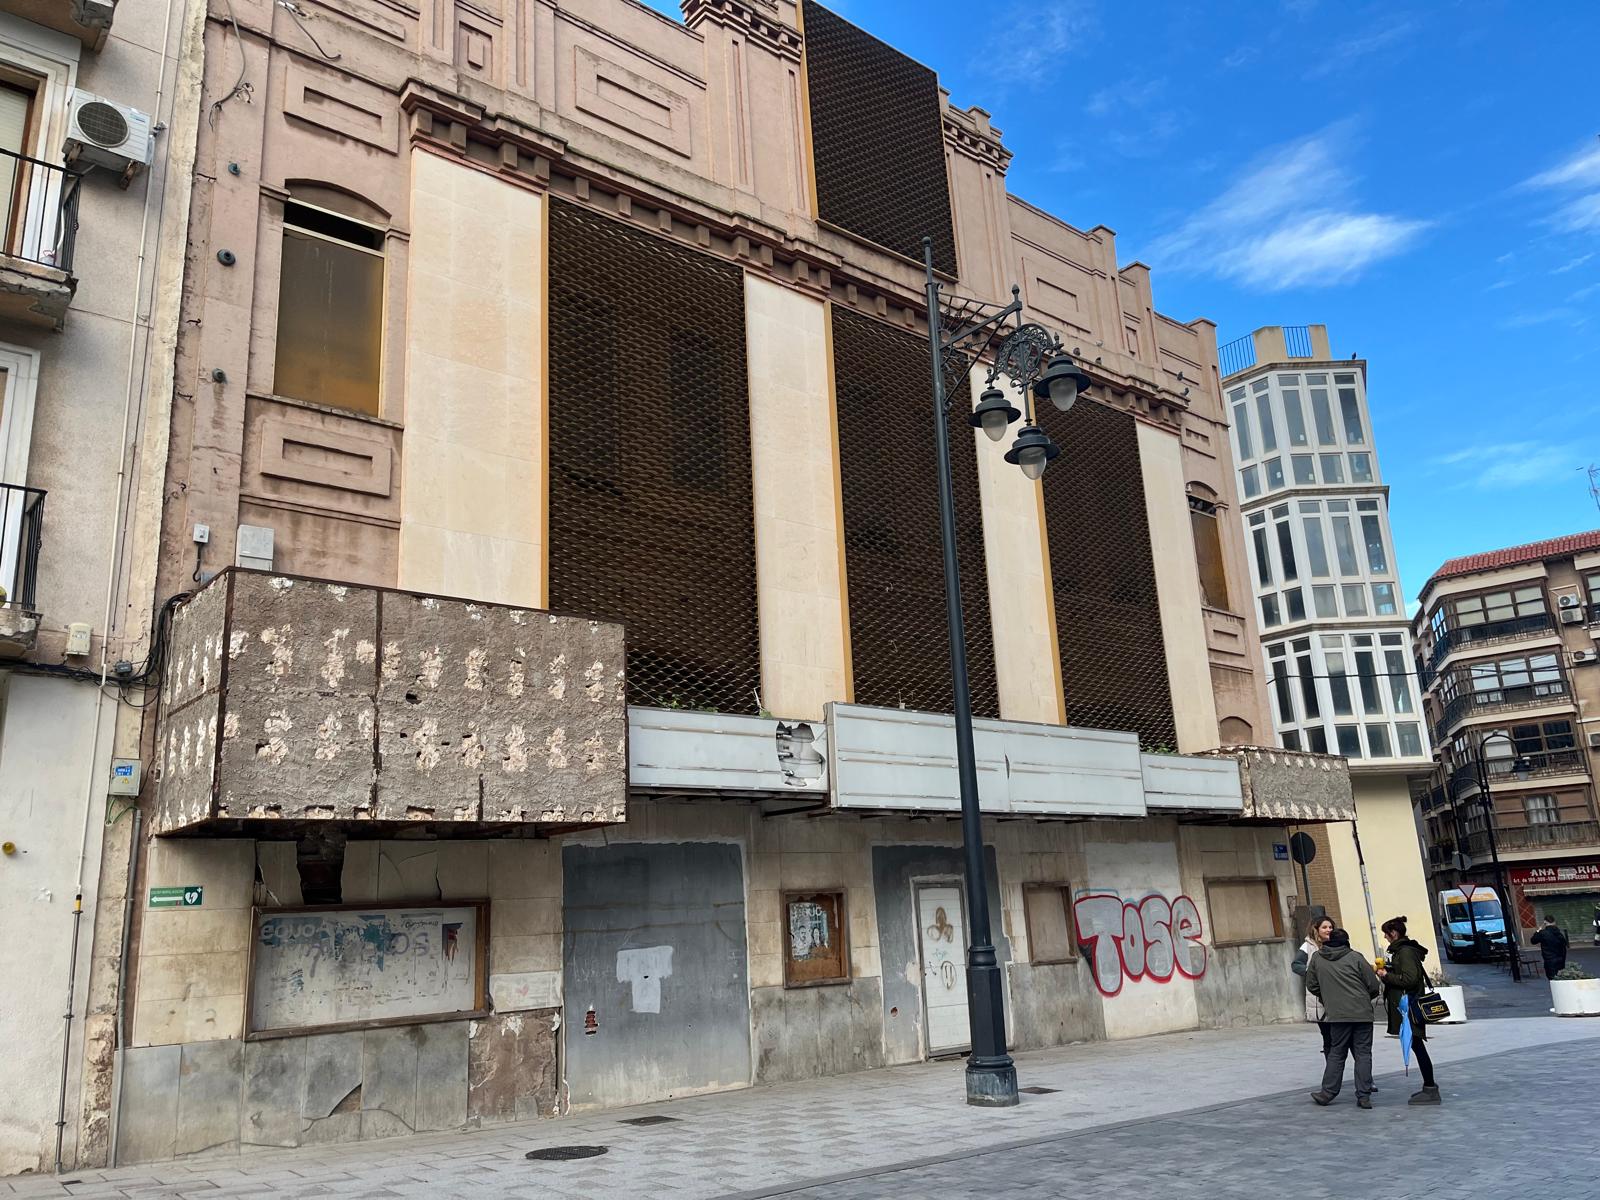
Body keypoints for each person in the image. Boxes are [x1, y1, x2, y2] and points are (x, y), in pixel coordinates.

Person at [1305, 928, 1381, 1108]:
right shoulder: (1355, 957)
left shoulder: (1317, 958)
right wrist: (1363, 998)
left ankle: (1327, 1093)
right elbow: (1373, 985)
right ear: (1347, 941)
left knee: (1336, 1052)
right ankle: (1364, 1096)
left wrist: (1328, 997)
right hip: (1362, 1013)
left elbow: (1311, 985)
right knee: (1363, 1053)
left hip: (1336, 1014)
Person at [1378, 915, 1441, 1106]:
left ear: (1394, 933)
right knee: (1416, 1044)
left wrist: (1386, 975)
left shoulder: (1404, 952)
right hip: (1408, 1005)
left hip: (1410, 1006)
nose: (1386, 938)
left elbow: (1410, 979)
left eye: (1386, 935)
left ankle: (1431, 1088)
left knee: (1417, 1045)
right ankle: (1429, 1088)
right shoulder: (1403, 951)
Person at [1292, 915, 1334, 1057]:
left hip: (1336, 994)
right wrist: (1312, 972)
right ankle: (1332, 1069)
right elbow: (1296, 965)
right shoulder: (1307, 946)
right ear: (1316, 929)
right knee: (1327, 1035)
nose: (1328, 930)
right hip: (1318, 997)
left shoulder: (1337, 942)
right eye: (1324, 927)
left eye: (1330, 927)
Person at [1530, 915, 1569, 979]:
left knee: (1552, 978)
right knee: (1561, 977)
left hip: (1549, 959)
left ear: (1545, 922)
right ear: (1554, 922)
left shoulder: (1543, 933)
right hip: (1561, 958)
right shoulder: (1559, 933)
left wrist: (1538, 931)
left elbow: (1533, 941)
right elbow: (1564, 944)